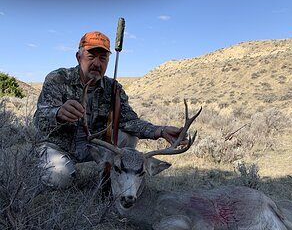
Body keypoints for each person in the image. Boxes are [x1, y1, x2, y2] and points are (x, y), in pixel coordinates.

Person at [33, 30, 186, 190]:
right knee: (60, 178)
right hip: (59, 145)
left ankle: (120, 181)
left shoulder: (113, 88)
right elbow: (38, 120)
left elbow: (130, 122)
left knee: (128, 137)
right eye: (91, 56)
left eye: (103, 58)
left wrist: (160, 131)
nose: (97, 64)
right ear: (79, 57)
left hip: (92, 147)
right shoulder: (58, 79)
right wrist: (57, 114)